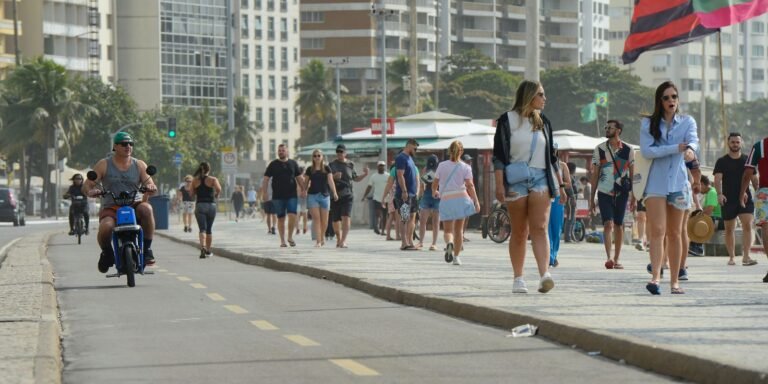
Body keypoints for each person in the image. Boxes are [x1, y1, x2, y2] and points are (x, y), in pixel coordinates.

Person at [493, 80, 565, 294]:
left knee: (540, 227)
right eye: (541, 94)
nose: (545, 99)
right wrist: (499, 185)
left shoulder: (544, 121)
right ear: (529, 96)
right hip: (516, 177)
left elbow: (552, 156)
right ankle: (518, 278)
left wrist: (560, 184)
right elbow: (499, 155)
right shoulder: (508, 120)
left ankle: (545, 275)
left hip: (541, 177)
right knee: (520, 231)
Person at [639, 81, 698, 295]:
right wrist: (675, 148)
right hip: (656, 183)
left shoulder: (687, 121)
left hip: (680, 184)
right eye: (666, 97)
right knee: (657, 231)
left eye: (674, 96)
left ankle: (675, 281)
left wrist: (690, 150)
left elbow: (693, 142)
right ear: (659, 101)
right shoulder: (648, 124)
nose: (671, 100)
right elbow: (647, 151)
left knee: (675, 233)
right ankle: (655, 277)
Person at [83, 132, 158, 272]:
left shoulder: (139, 165)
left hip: (134, 204)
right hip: (111, 207)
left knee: (147, 209)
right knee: (106, 227)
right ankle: (107, 252)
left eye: (131, 144)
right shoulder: (104, 164)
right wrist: (90, 191)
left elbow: (150, 183)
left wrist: (151, 187)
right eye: (124, 144)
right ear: (115, 146)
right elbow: (87, 184)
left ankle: (147, 249)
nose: (128, 146)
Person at [589, 119, 635, 270]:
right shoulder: (599, 149)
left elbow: (633, 175)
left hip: (622, 191)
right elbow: (595, 174)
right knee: (608, 223)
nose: (607, 129)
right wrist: (591, 198)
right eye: (606, 127)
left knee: (619, 224)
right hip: (604, 191)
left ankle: (617, 258)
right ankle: (608, 257)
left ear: (618, 130)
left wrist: (634, 196)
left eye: (610, 127)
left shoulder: (628, 149)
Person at [714, 132, 759, 267]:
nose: (735, 144)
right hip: (728, 199)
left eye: (737, 142)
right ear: (728, 143)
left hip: (745, 199)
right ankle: (732, 257)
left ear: (741, 143)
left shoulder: (747, 160)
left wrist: (759, 193)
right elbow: (717, 180)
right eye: (732, 142)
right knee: (729, 229)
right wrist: (719, 194)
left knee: (747, 225)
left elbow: (754, 179)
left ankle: (746, 256)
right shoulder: (722, 161)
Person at [433, 141, 480, 265]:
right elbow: (470, 185)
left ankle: (449, 243)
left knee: (448, 230)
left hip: (447, 199)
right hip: (461, 198)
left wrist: (435, 191)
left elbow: (435, 182)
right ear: (462, 152)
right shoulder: (466, 167)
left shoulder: (442, 165)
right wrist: (476, 201)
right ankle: (456, 257)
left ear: (449, 151)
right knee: (459, 231)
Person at [261, 143, 303, 248]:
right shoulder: (273, 164)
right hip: (278, 196)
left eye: (283, 150)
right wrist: (264, 193)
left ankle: (290, 237)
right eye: (279, 150)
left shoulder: (293, 163)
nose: (281, 152)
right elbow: (266, 179)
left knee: (293, 215)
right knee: (281, 218)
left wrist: (304, 189)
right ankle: (283, 241)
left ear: (287, 151)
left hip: (292, 194)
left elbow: (299, 178)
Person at [329, 144, 369, 248]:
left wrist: (365, 174)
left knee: (346, 217)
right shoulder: (331, 165)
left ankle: (343, 240)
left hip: (347, 195)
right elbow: (327, 179)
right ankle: (338, 237)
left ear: (345, 153)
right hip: (335, 195)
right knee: (335, 220)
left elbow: (355, 178)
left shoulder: (350, 164)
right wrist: (334, 177)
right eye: (337, 152)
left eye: (341, 152)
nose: (339, 154)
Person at [741, 136, 768, 282]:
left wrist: (741, 194)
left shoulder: (760, 145)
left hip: (765, 192)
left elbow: (748, 173)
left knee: (766, 228)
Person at [304, 150, 339, 247]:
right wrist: (303, 190)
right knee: (316, 219)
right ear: (313, 158)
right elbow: (305, 183)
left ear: (322, 157)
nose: (317, 157)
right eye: (315, 156)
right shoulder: (309, 169)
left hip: (325, 195)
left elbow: (331, 181)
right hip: (312, 196)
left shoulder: (327, 168)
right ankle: (318, 241)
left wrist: (335, 193)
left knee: (325, 221)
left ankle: (322, 236)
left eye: (319, 155)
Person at [189, 162, 222, 258]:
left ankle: (202, 247)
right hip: (211, 205)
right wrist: (216, 195)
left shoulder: (195, 181)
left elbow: (191, 194)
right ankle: (208, 250)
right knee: (209, 229)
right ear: (209, 169)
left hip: (200, 205)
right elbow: (219, 189)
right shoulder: (213, 179)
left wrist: (196, 191)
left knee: (202, 229)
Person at [394, 139, 421, 251]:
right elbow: (400, 175)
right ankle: (404, 243)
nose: (416, 151)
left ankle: (410, 241)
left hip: (412, 194)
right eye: (415, 148)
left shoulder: (410, 158)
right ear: (409, 146)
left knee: (412, 218)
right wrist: (404, 191)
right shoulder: (401, 158)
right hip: (404, 194)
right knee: (404, 218)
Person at [548, 157, 571, 267]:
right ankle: (549, 257)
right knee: (546, 229)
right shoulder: (543, 163)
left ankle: (554, 254)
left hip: (558, 198)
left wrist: (558, 183)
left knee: (556, 228)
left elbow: (569, 183)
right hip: (546, 197)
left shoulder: (562, 165)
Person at [418, 155, 441, 250]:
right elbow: (422, 183)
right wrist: (420, 194)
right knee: (423, 220)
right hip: (428, 194)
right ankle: (421, 242)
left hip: (437, 195)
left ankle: (434, 243)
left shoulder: (440, 169)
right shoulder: (425, 169)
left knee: (435, 221)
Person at [361, 160, 390, 235]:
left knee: (385, 215)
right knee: (378, 214)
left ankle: (383, 231)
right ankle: (376, 227)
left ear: (384, 167)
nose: (381, 167)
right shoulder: (374, 176)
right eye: (380, 165)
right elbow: (369, 187)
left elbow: (391, 186)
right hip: (376, 198)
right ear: (377, 167)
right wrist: (364, 196)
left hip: (386, 198)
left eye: (382, 166)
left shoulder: (388, 175)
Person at [562, 162, 577, 242]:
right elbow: (569, 188)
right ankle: (567, 237)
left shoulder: (571, 176)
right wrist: (573, 197)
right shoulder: (569, 177)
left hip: (572, 199)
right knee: (570, 218)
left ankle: (570, 235)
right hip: (570, 199)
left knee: (572, 218)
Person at [461, 154, 474, 241]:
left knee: (467, 217)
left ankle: (462, 234)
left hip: (468, 196)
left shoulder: (469, 170)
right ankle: (459, 235)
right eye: (468, 161)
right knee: (461, 217)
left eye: (470, 161)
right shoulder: (461, 170)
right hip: (462, 196)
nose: (470, 162)